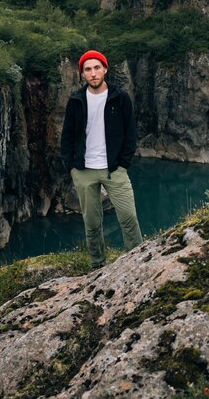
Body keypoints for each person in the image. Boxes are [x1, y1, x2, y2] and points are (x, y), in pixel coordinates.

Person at [61, 49, 143, 269]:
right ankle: (98, 265)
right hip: (84, 170)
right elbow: (67, 136)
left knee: (128, 218)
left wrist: (123, 163)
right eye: (88, 69)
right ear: (82, 74)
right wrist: (71, 168)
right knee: (92, 223)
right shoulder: (76, 100)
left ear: (105, 69)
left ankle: (137, 263)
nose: (93, 73)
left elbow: (131, 133)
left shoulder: (120, 97)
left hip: (114, 169)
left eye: (97, 68)